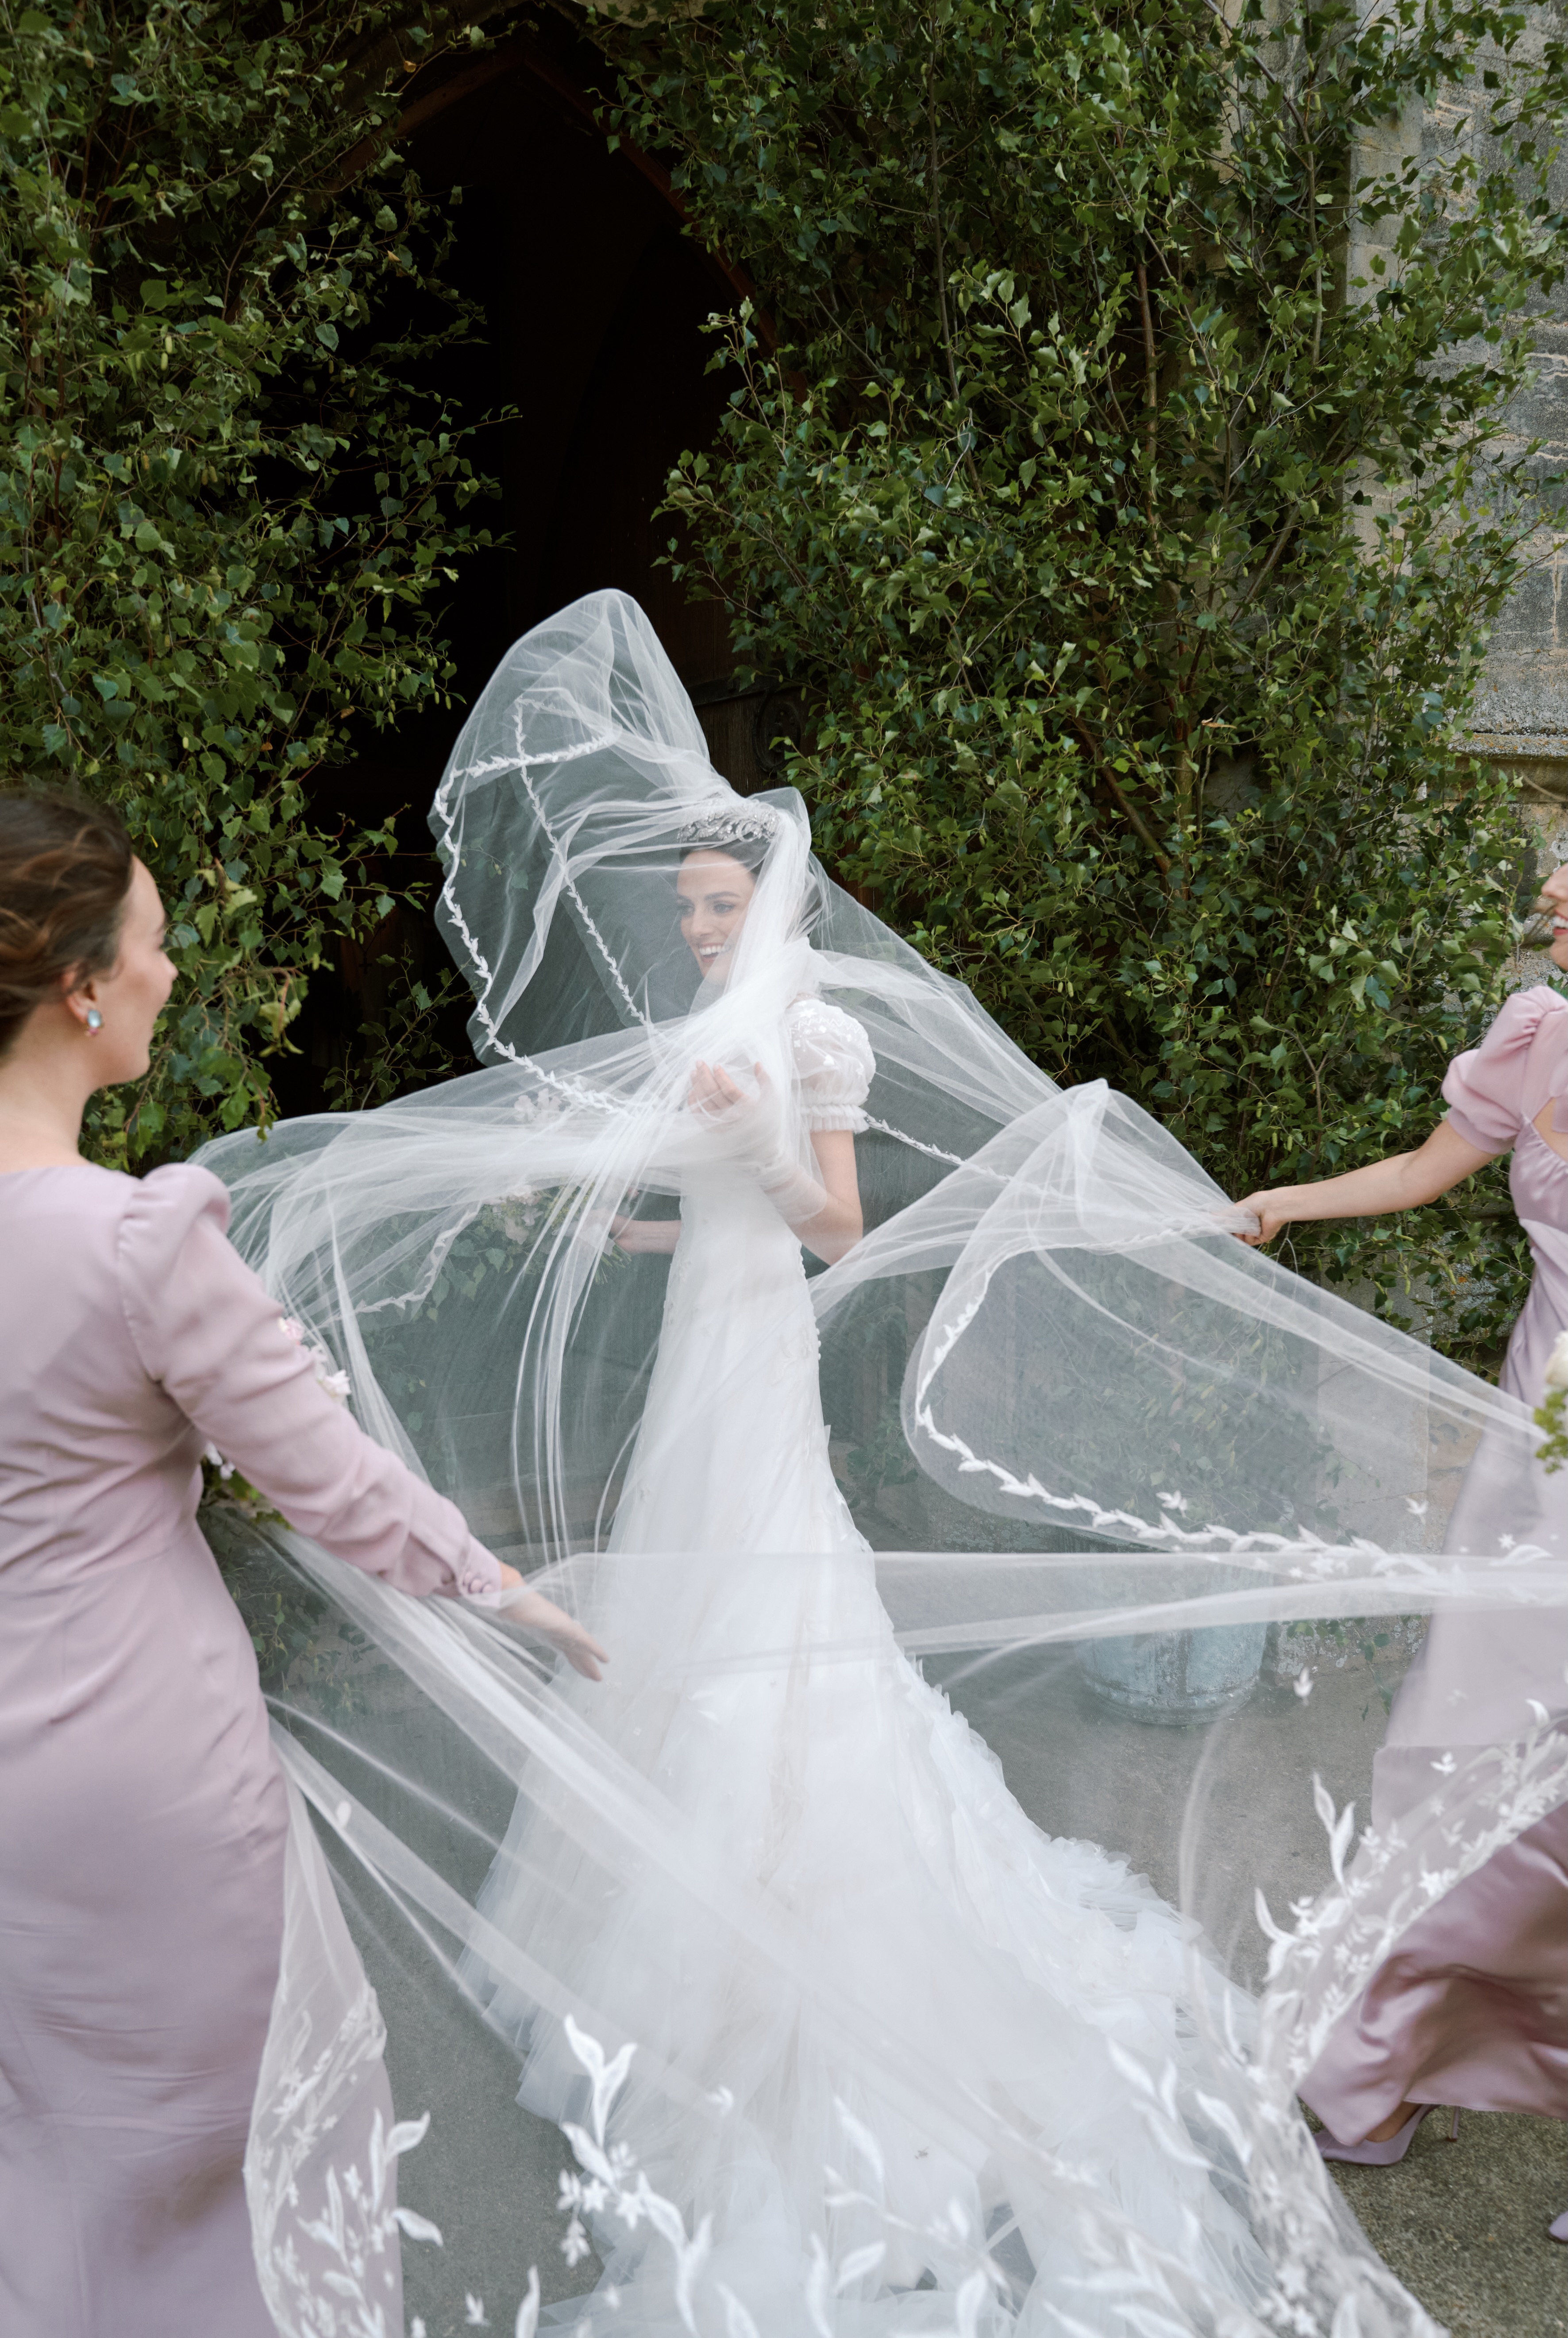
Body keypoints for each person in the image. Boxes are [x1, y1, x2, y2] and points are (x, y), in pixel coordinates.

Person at [196, 592, 1566, 2334]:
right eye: (681, 905)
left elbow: (832, 1222)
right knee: (687, 1595)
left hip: (762, 1349)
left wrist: (741, 1145)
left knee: (781, 1598)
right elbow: (709, 1199)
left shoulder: (815, 1037)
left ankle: (818, 1919)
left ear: (765, 903)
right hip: (702, 1337)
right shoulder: (714, 1038)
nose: (695, 926)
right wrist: (611, 1208)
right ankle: (671, 1894)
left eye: (716, 901)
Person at [0, 786, 605, 2338]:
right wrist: (515, 1593)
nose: (173, 974)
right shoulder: (136, 1247)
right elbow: (331, 1481)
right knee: (242, 2161)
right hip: (149, 1781)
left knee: (45, 2174)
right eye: (152, 945)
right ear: (79, 984)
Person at [1234, 870, 1568, 2215]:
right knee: (1467, 1748)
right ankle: (1387, 2067)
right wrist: (1286, 1202)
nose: (1554, 879)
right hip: (1533, 1444)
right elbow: (1432, 1171)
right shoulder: (1539, 1026)